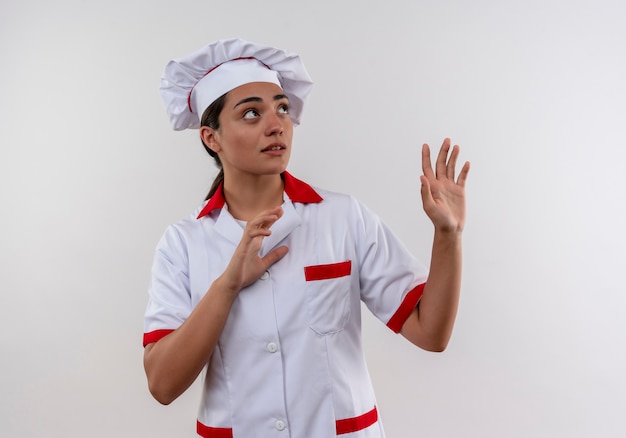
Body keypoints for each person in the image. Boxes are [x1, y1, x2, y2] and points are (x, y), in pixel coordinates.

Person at [143, 38, 470, 438]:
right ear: (211, 138)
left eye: (282, 108)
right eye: (251, 113)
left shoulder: (343, 217)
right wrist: (228, 285)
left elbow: (431, 333)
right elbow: (162, 384)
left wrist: (447, 236)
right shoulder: (183, 243)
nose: (277, 123)